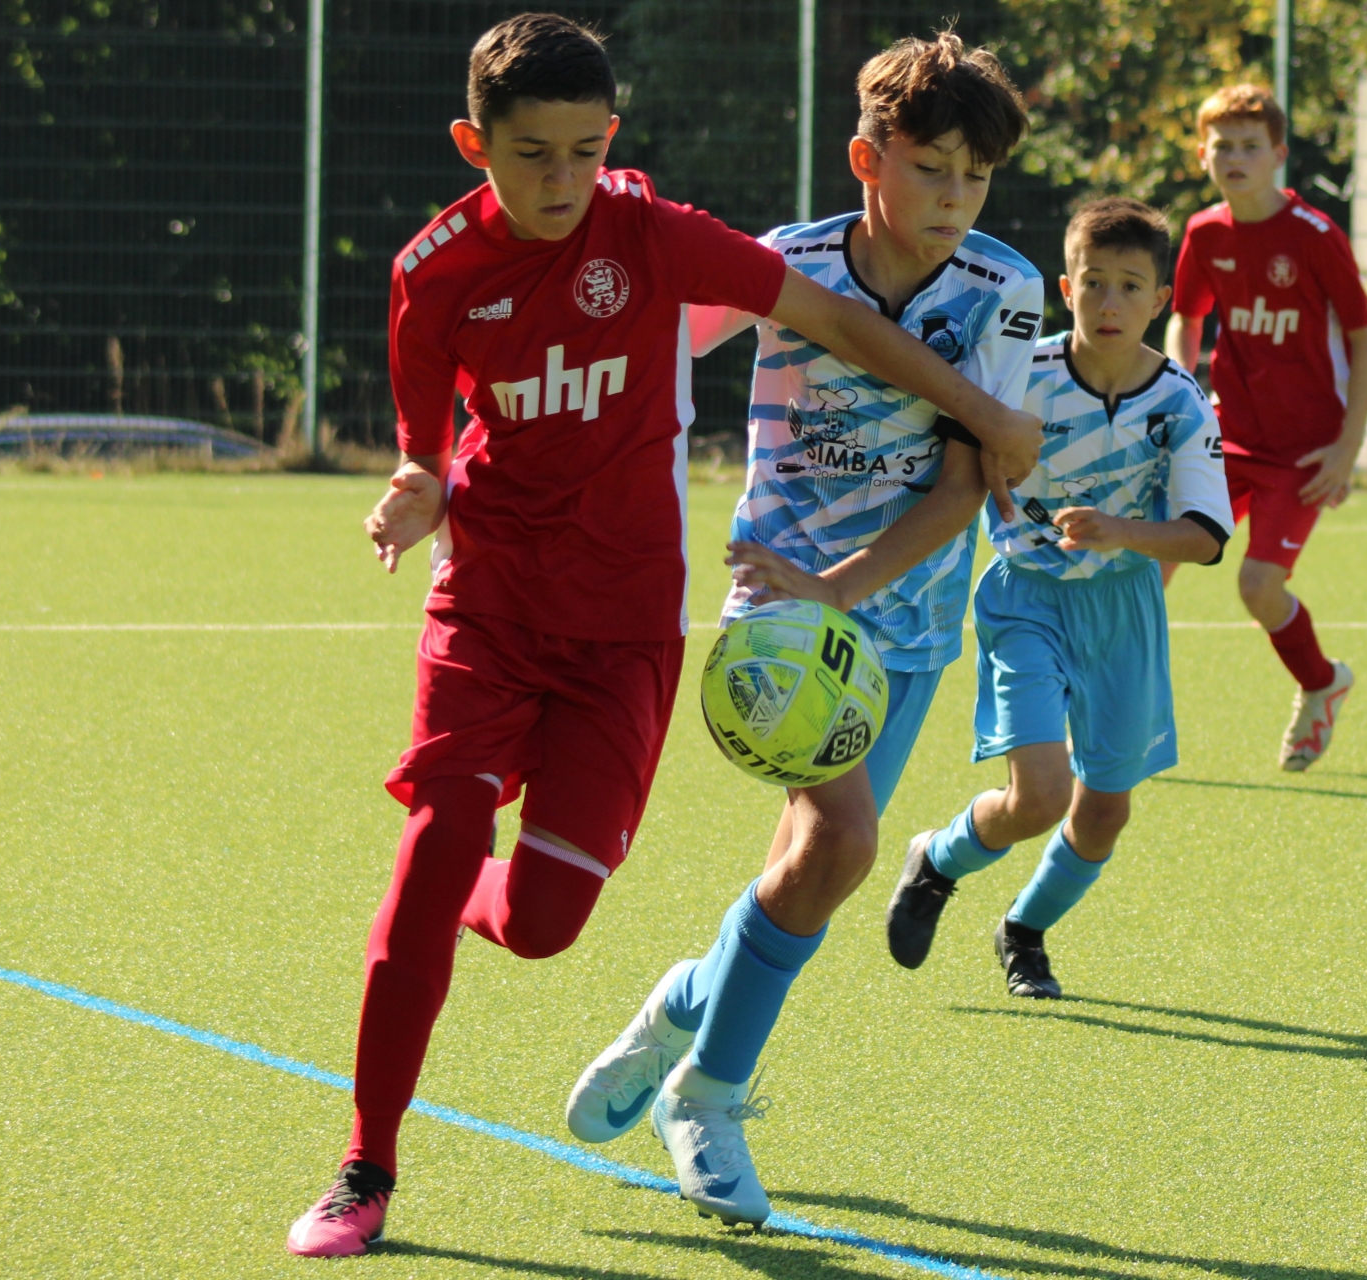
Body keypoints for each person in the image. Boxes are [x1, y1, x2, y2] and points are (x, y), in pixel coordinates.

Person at [286, 14, 1041, 1258]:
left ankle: (659, 998)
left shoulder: (661, 236)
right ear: (476, 145)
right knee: (460, 847)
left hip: (668, 630)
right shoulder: (436, 273)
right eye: (532, 154)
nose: (562, 180)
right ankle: (379, 1161)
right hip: (528, 609)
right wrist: (420, 489)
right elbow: (428, 447)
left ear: (613, 139)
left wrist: (991, 421)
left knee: (556, 919)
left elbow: (841, 332)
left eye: (586, 152)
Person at [561, 32, 1043, 1228]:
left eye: (977, 176)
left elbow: (963, 487)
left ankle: (683, 1004)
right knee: (843, 841)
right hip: (779, 608)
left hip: (906, 615)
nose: (955, 197)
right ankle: (708, 1095)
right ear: (867, 160)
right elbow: (650, 344)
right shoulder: (786, 261)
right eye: (931, 168)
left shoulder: (1005, 289)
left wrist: (848, 584)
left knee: (812, 870)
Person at [884, 197, 1231, 998]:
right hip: (1026, 599)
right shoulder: (1020, 378)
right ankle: (937, 860)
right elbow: (953, 458)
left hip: (1124, 610)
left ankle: (1024, 930)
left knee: (1105, 812)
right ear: (1066, 289)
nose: (1110, 302)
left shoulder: (1180, 401)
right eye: (1093, 282)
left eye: (1130, 286)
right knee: (1040, 796)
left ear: (1160, 300)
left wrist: (1120, 531)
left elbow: (1207, 535)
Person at [1163, 85, 1367, 772]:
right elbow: (1187, 318)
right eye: (1222, 145)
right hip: (1227, 438)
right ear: (1203, 155)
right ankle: (1115, 708)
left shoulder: (1314, 236)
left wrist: (1348, 448)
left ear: (1279, 154)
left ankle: (1322, 683)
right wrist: (1178, 399)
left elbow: (1365, 339)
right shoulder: (1205, 233)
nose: (1236, 157)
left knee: (1258, 587)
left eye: (1251, 146)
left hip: (1305, 453)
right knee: (1148, 563)